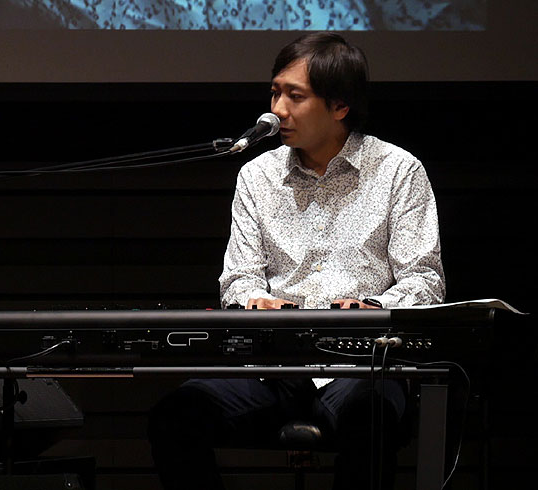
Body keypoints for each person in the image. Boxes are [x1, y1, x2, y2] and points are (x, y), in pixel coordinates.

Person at [148, 32, 445, 490]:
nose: (276, 111)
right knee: (175, 415)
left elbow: (425, 280)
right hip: (274, 367)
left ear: (340, 106)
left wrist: (373, 309)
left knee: (370, 417)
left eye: (295, 96)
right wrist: (254, 299)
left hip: (361, 364)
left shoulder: (398, 170)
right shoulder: (258, 175)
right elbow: (238, 278)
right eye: (275, 93)